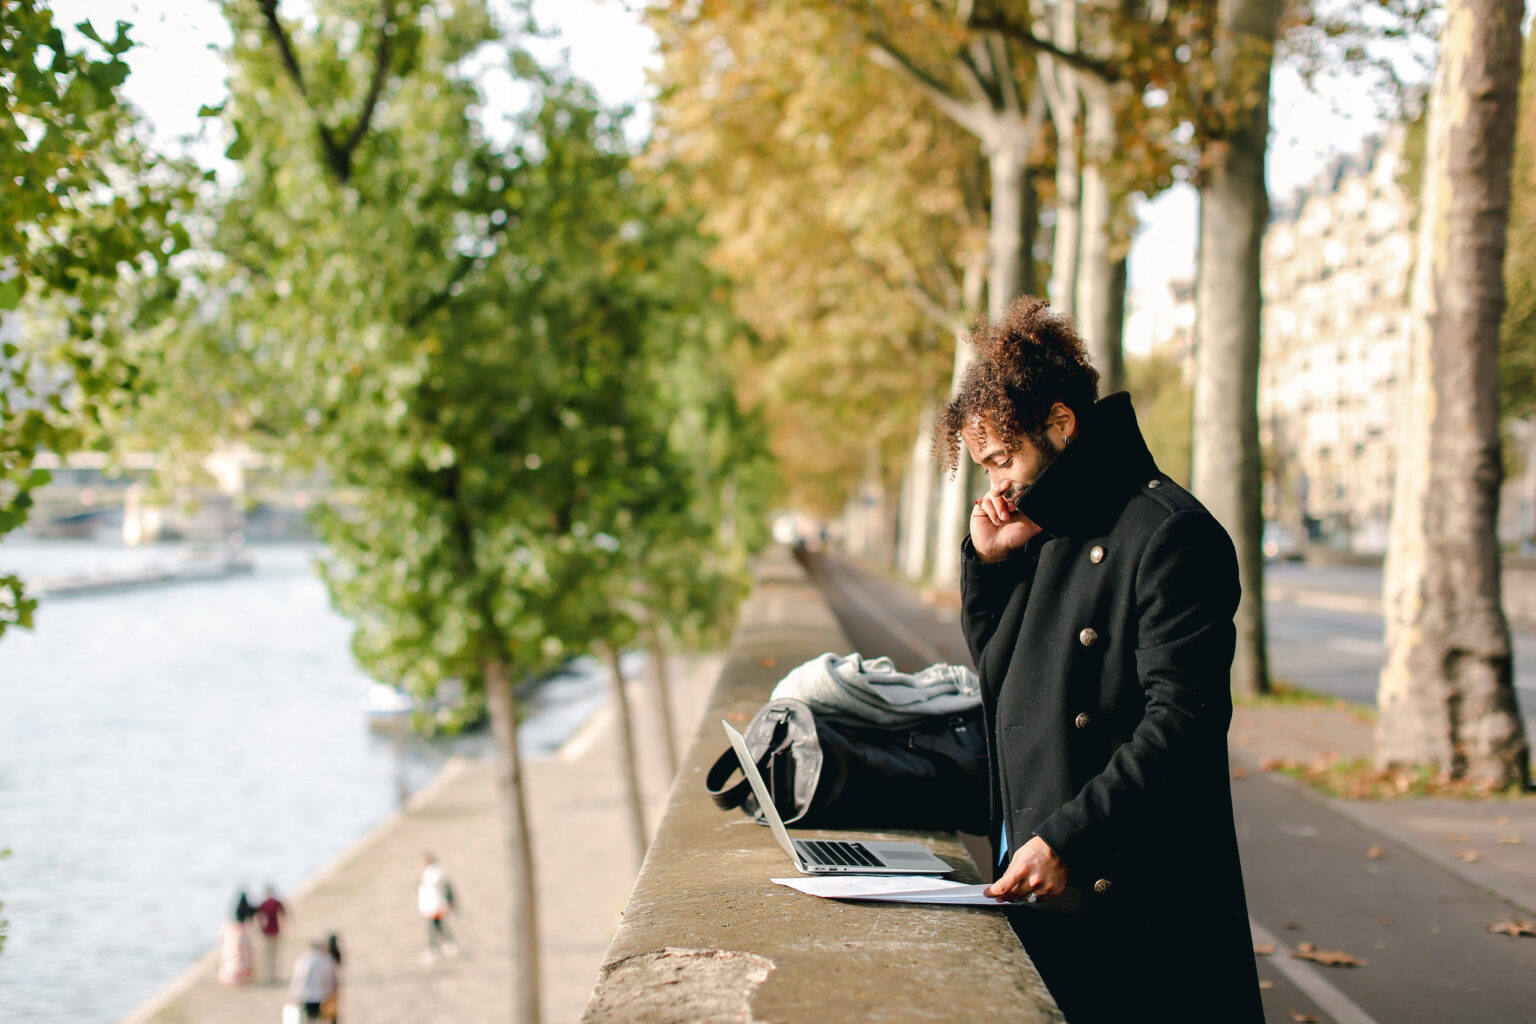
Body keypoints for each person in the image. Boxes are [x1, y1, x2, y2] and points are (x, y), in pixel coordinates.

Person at [933, 296, 1262, 1023]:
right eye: (985, 468)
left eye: (1004, 460)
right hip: (1043, 875)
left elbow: (1184, 721)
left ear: (1061, 423)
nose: (996, 486)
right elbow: (1004, 683)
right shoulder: (1046, 527)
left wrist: (1070, 839)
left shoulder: (1170, 534)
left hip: (1129, 890)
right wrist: (988, 564)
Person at [416, 852, 456, 960]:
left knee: (435, 926)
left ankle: (437, 947)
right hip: (431, 904)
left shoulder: (434, 872)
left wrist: (450, 902)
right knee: (437, 925)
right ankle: (447, 944)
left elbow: (446, 888)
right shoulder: (428, 872)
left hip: (435, 903)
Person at [287, 939, 338, 1022]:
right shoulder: (325, 960)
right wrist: (330, 991)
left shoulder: (303, 960)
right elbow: (328, 978)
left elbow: (297, 978)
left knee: (309, 1018)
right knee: (321, 1018)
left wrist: (294, 993)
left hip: (305, 995)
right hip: (321, 994)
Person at [215, 892, 255, 986]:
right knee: (240, 957)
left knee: (232, 957)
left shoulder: (229, 923)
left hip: (232, 938)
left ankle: (235, 975)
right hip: (241, 938)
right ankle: (240, 975)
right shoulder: (243, 926)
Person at [255, 883, 287, 984]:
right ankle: (273, 975)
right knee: (274, 954)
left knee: (268, 955)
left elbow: (259, 918)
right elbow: (283, 915)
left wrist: (261, 929)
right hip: (275, 931)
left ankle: (269, 975)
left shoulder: (264, 904)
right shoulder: (276, 903)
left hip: (267, 931)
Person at [320, 933, 342, 1024]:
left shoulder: (325, 953)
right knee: (333, 1006)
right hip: (333, 982)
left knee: (325, 1006)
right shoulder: (336, 952)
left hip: (325, 983)